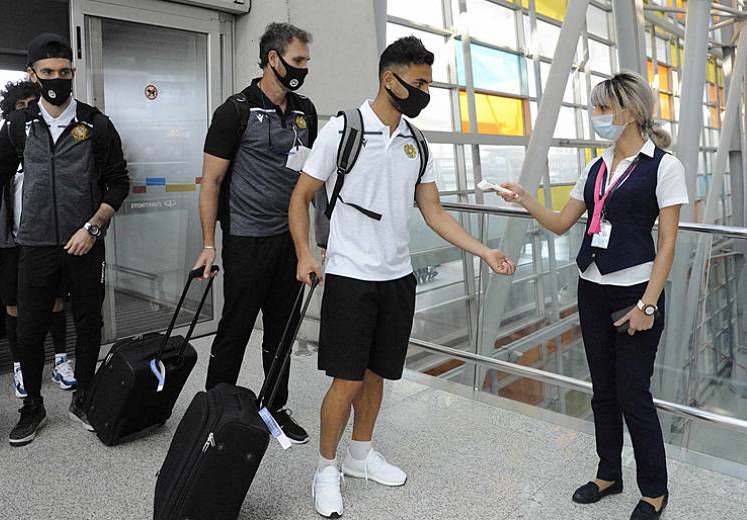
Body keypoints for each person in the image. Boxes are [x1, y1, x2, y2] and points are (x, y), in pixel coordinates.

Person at [289, 36, 517, 518]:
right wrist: (305, 253)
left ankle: (359, 456)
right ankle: (326, 470)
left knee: (376, 377)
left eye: (427, 83)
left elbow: (434, 213)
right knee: (346, 382)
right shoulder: (343, 128)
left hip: (398, 278)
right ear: (389, 79)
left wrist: (484, 251)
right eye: (418, 82)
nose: (424, 91)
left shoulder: (417, 141)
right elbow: (301, 194)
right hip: (351, 276)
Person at [498, 71, 686, 520]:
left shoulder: (664, 166)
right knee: (603, 389)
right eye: (595, 108)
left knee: (633, 392)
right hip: (593, 289)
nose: (595, 116)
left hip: (635, 293)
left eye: (603, 109)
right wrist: (525, 199)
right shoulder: (596, 166)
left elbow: (669, 244)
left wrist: (647, 304)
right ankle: (608, 474)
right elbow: (563, 222)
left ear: (631, 112)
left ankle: (654, 490)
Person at [0, 33, 130, 447]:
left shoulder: (95, 124)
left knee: (88, 323)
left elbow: (118, 184)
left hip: (84, 242)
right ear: (32, 74)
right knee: (29, 330)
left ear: (73, 73)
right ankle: (32, 405)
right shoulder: (18, 125)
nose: (57, 79)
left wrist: (93, 227)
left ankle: (83, 397)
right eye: (48, 72)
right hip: (33, 244)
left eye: (65, 72)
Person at [192, 22, 316, 444]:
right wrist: (209, 244)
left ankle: (273, 407)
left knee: (281, 331)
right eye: (298, 60)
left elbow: (308, 180)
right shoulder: (235, 110)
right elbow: (210, 182)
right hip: (245, 239)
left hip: (289, 241)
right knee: (236, 330)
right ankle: (214, 413)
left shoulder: (305, 112)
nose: (303, 68)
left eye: (306, 61)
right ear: (273, 59)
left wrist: (309, 245)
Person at [0, 80, 74, 399]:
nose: (30, 113)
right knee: (15, 306)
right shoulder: (1, 147)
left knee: (56, 301)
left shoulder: (55, 143)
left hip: (48, 239)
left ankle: (61, 360)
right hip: (12, 241)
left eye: (35, 105)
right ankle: (20, 365)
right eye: (22, 108)